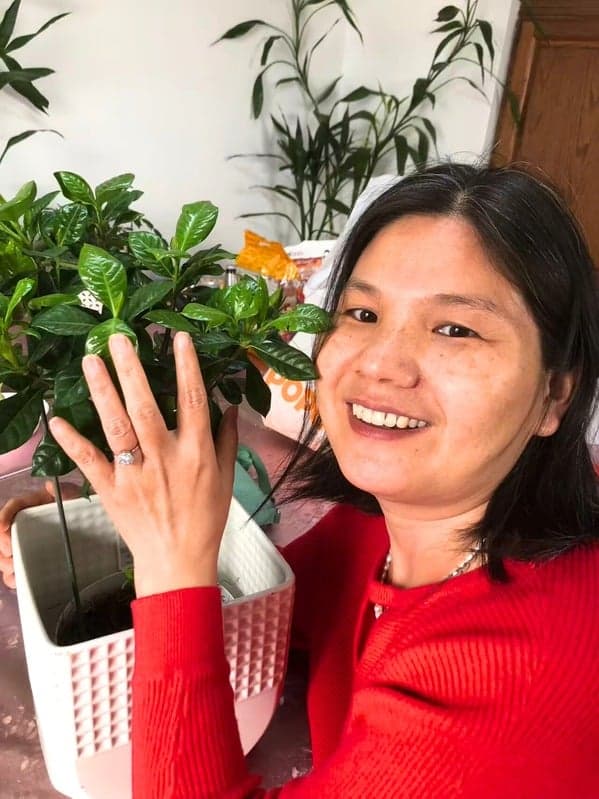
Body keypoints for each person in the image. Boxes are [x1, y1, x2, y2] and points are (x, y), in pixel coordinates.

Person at [2, 162, 599, 797]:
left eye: (455, 329)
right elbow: (284, 604)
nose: (380, 364)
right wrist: (134, 526)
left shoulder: (501, 691)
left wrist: (169, 568)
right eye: (362, 313)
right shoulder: (387, 511)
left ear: (555, 395)